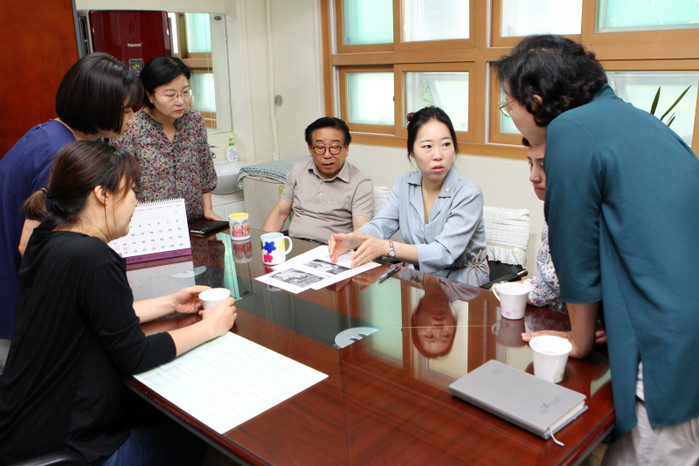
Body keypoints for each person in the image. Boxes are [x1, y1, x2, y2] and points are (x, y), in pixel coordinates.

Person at [495, 35, 699, 464]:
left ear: (535, 101)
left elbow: (575, 249)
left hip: (669, 354)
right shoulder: (641, 123)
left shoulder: (571, 129)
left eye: (507, 104)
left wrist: (580, 338)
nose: (510, 115)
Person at [0, 140, 237, 464]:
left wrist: (171, 303)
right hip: (69, 446)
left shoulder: (47, 238)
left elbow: (96, 314)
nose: (136, 201)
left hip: (22, 428)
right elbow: (135, 355)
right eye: (131, 191)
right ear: (103, 194)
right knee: (194, 440)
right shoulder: (93, 257)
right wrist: (210, 327)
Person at [0, 52, 141, 372]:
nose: (132, 119)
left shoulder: (49, 133)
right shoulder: (60, 154)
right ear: (97, 107)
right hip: (13, 307)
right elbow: (31, 246)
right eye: (125, 110)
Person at [329, 106, 489, 287]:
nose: (438, 155)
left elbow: (445, 253)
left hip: (463, 284)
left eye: (446, 144)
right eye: (427, 146)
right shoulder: (404, 184)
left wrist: (387, 247)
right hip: (420, 279)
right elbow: (381, 224)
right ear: (412, 151)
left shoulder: (469, 192)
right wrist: (351, 239)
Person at [114, 55, 220, 221]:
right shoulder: (131, 129)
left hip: (195, 220)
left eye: (185, 92)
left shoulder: (194, 121)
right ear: (149, 95)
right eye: (171, 95)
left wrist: (208, 210)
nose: (180, 101)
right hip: (152, 224)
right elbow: (122, 186)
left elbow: (205, 170)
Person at [261, 117, 373, 243]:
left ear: (346, 149)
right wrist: (264, 245)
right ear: (310, 149)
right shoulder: (298, 170)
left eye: (335, 147)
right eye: (320, 147)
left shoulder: (360, 183)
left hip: (331, 249)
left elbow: (360, 233)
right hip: (296, 245)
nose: (327, 155)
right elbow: (280, 213)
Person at [520, 138, 566, 313]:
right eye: (530, 164)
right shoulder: (555, 206)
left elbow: (551, 283)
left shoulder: (574, 211)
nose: (533, 176)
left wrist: (505, 288)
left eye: (544, 166)